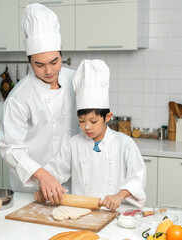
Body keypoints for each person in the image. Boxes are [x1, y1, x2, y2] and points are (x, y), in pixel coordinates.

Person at [35, 59, 147, 210]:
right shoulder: (72, 144)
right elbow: (55, 170)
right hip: (79, 211)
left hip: (114, 213)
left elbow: (137, 177)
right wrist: (45, 188)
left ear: (107, 117)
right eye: (81, 121)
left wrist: (119, 196)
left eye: (93, 121)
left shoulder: (124, 144)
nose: (87, 127)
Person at [0, 3, 79, 203]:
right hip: (32, 187)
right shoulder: (19, 97)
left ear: (61, 51)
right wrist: (43, 175)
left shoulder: (76, 80)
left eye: (54, 62)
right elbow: (11, 148)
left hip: (74, 183)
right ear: (28, 58)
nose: (49, 71)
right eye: (39, 65)